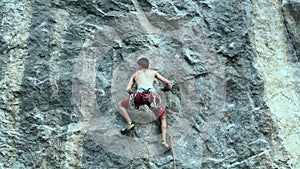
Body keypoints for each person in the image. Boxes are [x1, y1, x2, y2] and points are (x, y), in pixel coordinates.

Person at [118, 58, 172, 148]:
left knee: (120, 105)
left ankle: (130, 123)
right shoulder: (153, 72)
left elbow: (128, 89)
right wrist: (168, 88)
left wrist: (134, 96)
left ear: (139, 66)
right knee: (162, 117)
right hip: (151, 96)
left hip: (139, 95)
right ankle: (164, 141)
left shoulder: (136, 74)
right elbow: (167, 82)